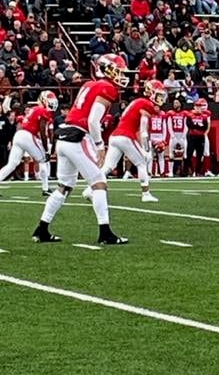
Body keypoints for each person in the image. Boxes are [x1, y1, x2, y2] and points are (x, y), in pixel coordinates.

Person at [32, 54, 129, 244]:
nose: (122, 74)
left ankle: (41, 229)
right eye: (118, 69)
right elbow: (93, 120)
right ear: (107, 69)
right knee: (99, 182)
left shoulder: (89, 84)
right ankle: (105, 233)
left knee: (64, 187)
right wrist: (100, 146)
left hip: (64, 137)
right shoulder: (107, 87)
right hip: (78, 137)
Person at [83, 80, 166, 203]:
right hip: (125, 136)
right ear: (151, 92)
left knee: (108, 167)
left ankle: (90, 189)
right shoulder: (145, 104)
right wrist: (146, 149)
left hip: (115, 136)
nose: (161, 99)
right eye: (159, 95)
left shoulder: (138, 102)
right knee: (142, 162)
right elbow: (143, 129)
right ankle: (146, 193)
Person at [0, 91, 57, 195]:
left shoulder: (34, 109)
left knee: (11, 165)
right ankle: (45, 188)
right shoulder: (42, 110)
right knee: (44, 159)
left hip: (19, 135)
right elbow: (43, 131)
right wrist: (46, 150)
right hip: (28, 136)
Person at [185, 98, 210, 176]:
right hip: (192, 136)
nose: (198, 108)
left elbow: (205, 126)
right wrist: (198, 126)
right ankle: (190, 170)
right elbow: (189, 125)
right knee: (189, 154)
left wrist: (196, 126)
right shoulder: (190, 115)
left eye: (200, 107)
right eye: (197, 107)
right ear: (194, 107)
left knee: (200, 155)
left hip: (200, 137)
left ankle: (198, 171)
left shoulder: (204, 116)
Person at [167, 98, 188, 176]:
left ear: (180, 103)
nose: (175, 104)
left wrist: (183, 135)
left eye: (176, 102)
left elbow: (186, 125)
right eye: (174, 103)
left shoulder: (184, 113)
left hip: (181, 134)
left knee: (185, 154)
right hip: (174, 134)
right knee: (171, 154)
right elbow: (169, 125)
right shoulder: (170, 113)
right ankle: (171, 172)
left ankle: (184, 172)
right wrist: (172, 135)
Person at [150, 109, 169, 177]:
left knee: (161, 156)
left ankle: (162, 172)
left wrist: (163, 139)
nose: (156, 108)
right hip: (151, 137)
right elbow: (148, 127)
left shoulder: (162, 115)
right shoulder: (149, 115)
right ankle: (150, 172)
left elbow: (164, 127)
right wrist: (150, 139)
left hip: (159, 137)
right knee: (150, 157)